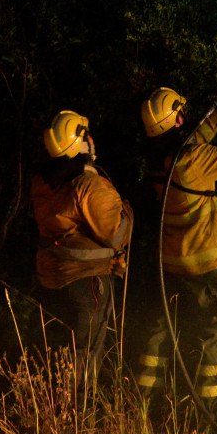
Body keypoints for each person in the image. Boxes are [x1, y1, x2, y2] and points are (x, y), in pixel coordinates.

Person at [134, 86, 217, 422]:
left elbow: (190, 141)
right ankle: (209, 418)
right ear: (175, 117)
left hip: (170, 265)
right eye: (181, 113)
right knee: (213, 336)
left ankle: (142, 410)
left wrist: (216, 111)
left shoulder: (158, 160)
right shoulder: (191, 163)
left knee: (159, 335)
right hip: (205, 264)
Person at [31, 109, 133, 392]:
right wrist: (125, 207)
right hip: (87, 283)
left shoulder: (43, 182)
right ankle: (78, 414)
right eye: (87, 136)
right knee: (85, 352)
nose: (92, 140)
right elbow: (117, 235)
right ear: (79, 142)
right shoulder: (89, 184)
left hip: (53, 281)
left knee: (59, 350)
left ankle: (52, 408)